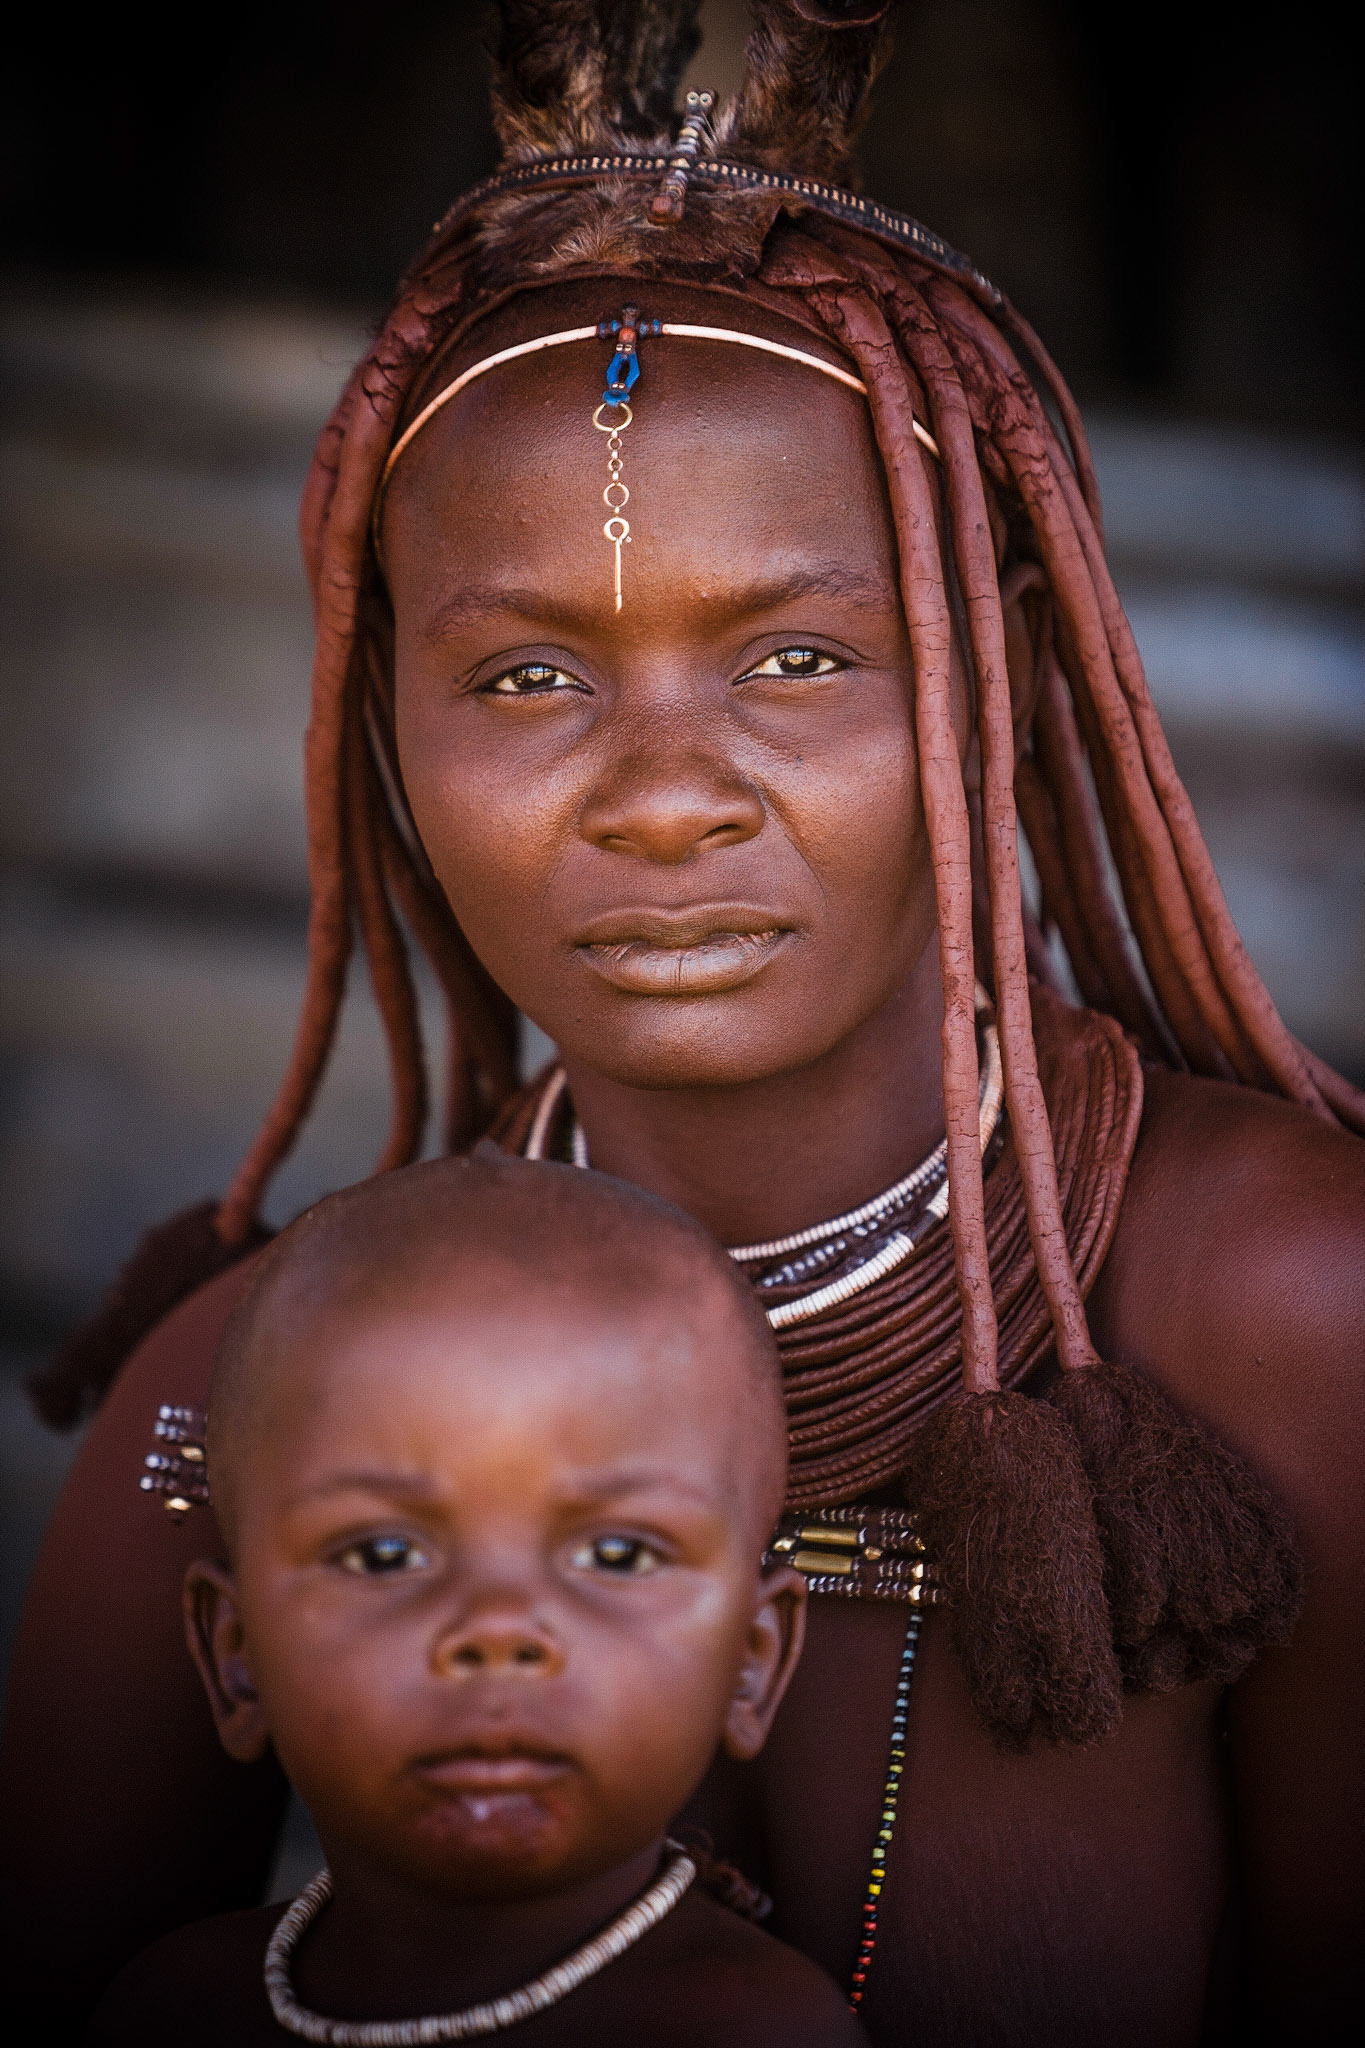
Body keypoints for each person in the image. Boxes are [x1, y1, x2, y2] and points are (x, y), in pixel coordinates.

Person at [3, 4, 1362, 2044]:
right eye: (527, 680)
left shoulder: (1285, 1315)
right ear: (386, 727)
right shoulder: (247, 1386)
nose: (660, 796)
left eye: (797, 658)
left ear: (993, 682)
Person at [86, 1150, 865, 2046]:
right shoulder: (174, 2005)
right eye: (383, 1555)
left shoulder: (751, 2032)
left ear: (750, 1662)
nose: (496, 1631)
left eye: (616, 1555)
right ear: (237, 1657)